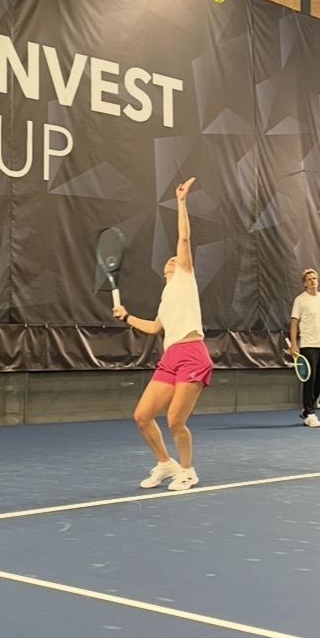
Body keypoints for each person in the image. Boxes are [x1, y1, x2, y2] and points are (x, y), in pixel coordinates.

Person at [112, 177, 210, 492]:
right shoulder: (166, 298)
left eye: (175, 257)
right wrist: (126, 316)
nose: (172, 259)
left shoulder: (185, 277)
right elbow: (155, 328)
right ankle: (165, 464)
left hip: (192, 354)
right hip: (171, 357)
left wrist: (181, 201)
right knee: (142, 416)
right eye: (169, 259)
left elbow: (184, 237)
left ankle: (188, 471)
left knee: (175, 421)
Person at [289, 268, 320, 427]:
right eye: (309, 279)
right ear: (305, 284)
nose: (313, 281)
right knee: (310, 379)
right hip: (308, 345)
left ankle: (307, 410)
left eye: (315, 278)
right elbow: (294, 322)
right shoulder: (300, 300)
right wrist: (294, 344)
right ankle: (311, 414)